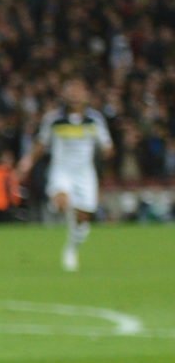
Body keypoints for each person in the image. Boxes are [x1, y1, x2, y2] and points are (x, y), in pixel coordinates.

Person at [16, 77, 114, 271]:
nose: (75, 96)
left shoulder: (94, 119)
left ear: (86, 95)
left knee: (84, 219)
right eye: (71, 91)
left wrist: (107, 152)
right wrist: (26, 163)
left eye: (78, 91)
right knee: (61, 202)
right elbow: (41, 144)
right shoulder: (54, 119)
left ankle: (71, 248)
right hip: (61, 171)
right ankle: (64, 210)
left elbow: (107, 146)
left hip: (85, 173)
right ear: (65, 95)